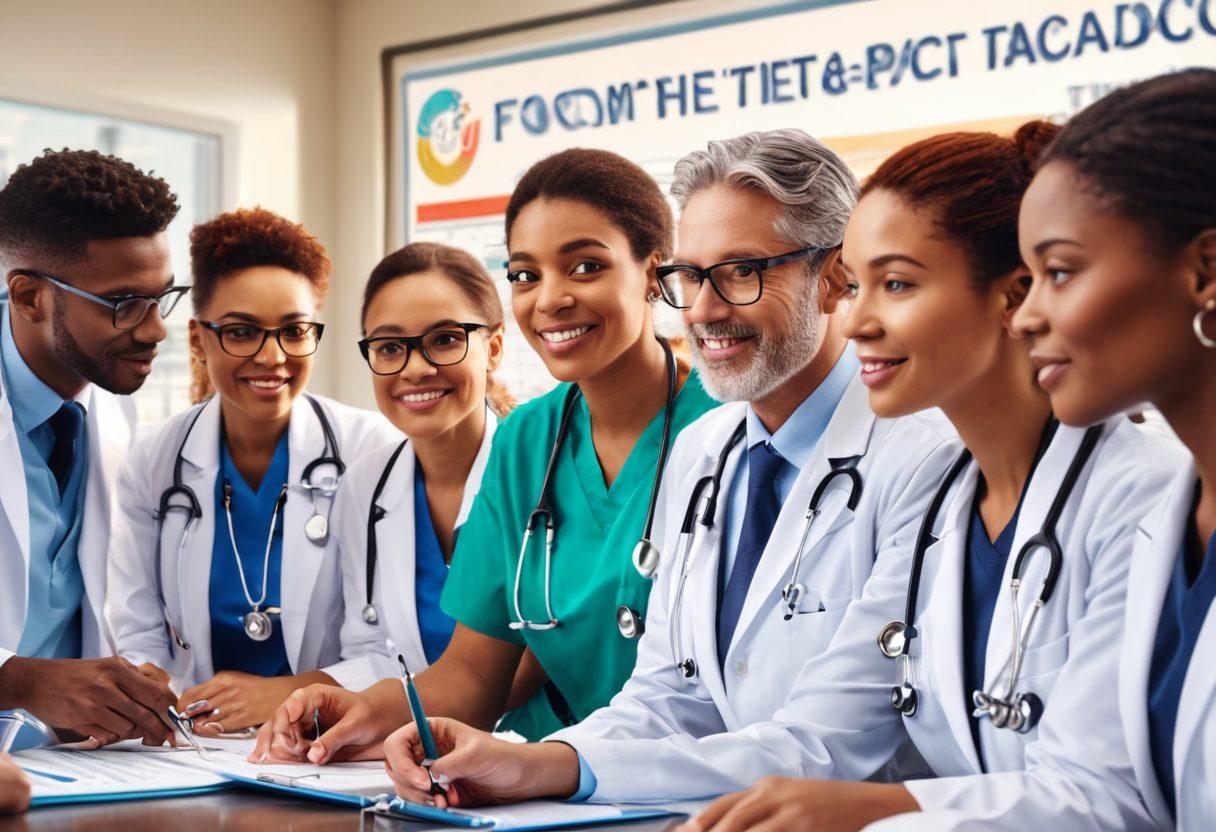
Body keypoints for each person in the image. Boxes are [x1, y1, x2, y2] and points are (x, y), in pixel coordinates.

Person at [375, 129, 959, 807]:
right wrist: (532, 762)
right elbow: (665, 696)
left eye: (741, 272)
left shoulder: (923, 458)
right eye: (692, 276)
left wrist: (550, 770)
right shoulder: (706, 450)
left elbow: (827, 744)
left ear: (834, 278)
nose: (704, 309)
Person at [666, 123, 1185, 831]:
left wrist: (882, 807)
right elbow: (824, 731)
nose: (854, 321)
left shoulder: (1142, 499)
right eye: (858, 285)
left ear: (1015, 298)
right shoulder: (945, 499)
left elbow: (1110, 797)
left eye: (897, 285)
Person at [251, 148, 720, 762]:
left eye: (585, 266)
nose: (549, 299)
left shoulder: (726, 425)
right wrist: (360, 713)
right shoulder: (526, 442)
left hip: (701, 775)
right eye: (525, 275)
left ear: (655, 272)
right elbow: (472, 674)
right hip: (559, 777)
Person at [1015, 68, 1216, 832]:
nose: (1025, 317)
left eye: (1060, 272)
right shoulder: (1172, 522)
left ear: (1206, 270)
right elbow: (1105, 795)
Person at [107, 207, 397, 735]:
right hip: (196, 741)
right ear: (198, 339)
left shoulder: (372, 450)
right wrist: (150, 686)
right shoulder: (154, 461)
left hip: (330, 739)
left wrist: (286, 693)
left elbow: (390, 645)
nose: (272, 357)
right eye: (242, 332)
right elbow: (138, 631)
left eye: (294, 330)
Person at [0, 149, 181, 748]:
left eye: (162, 297)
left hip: (71, 770)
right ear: (29, 297)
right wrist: (19, 679)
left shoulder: (112, 396)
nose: (155, 330)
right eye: (124, 304)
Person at [321, 242, 519, 690]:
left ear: (494, 348)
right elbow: (371, 652)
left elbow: (542, 659)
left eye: (445, 340)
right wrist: (300, 698)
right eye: (390, 347)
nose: (415, 369)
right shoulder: (365, 485)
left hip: (540, 732)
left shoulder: (539, 471)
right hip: (409, 732)